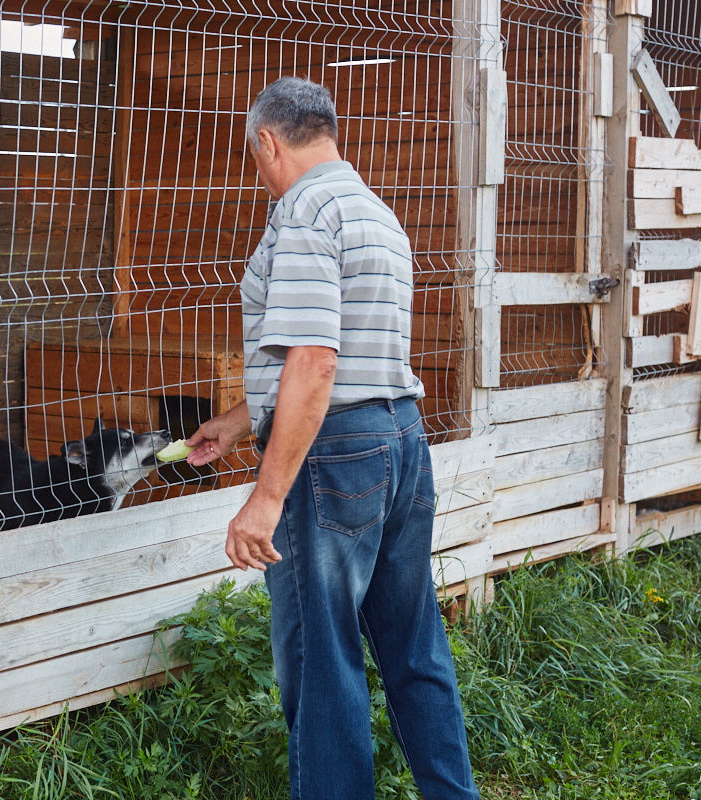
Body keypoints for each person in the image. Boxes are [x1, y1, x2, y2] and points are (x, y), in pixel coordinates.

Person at [184, 77, 481, 800]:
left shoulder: (304, 211)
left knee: (323, 661)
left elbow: (316, 362)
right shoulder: (374, 211)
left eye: (256, 156)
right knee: (414, 646)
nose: (259, 171)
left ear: (267, 141)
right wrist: (237, 422)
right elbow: (352, 354)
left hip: (338, 458)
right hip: (401, 440)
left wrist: (266, 495)